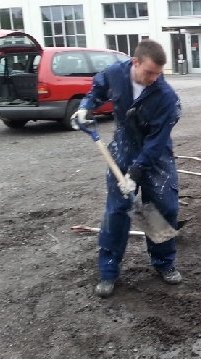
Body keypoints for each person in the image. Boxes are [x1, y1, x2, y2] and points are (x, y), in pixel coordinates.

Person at [73, 39, 182, 297]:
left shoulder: (166, 96)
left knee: (164, 207)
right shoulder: (115, 74)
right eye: (149, 72)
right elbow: (97, 91)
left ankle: (164, 264)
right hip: (123, 146)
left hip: (155, 153)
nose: (155, 78)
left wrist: (136, 171)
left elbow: (156, 141)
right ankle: (108, 271)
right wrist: (84, 108)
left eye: (158, 73)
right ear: (135, 62)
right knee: (117, 210)